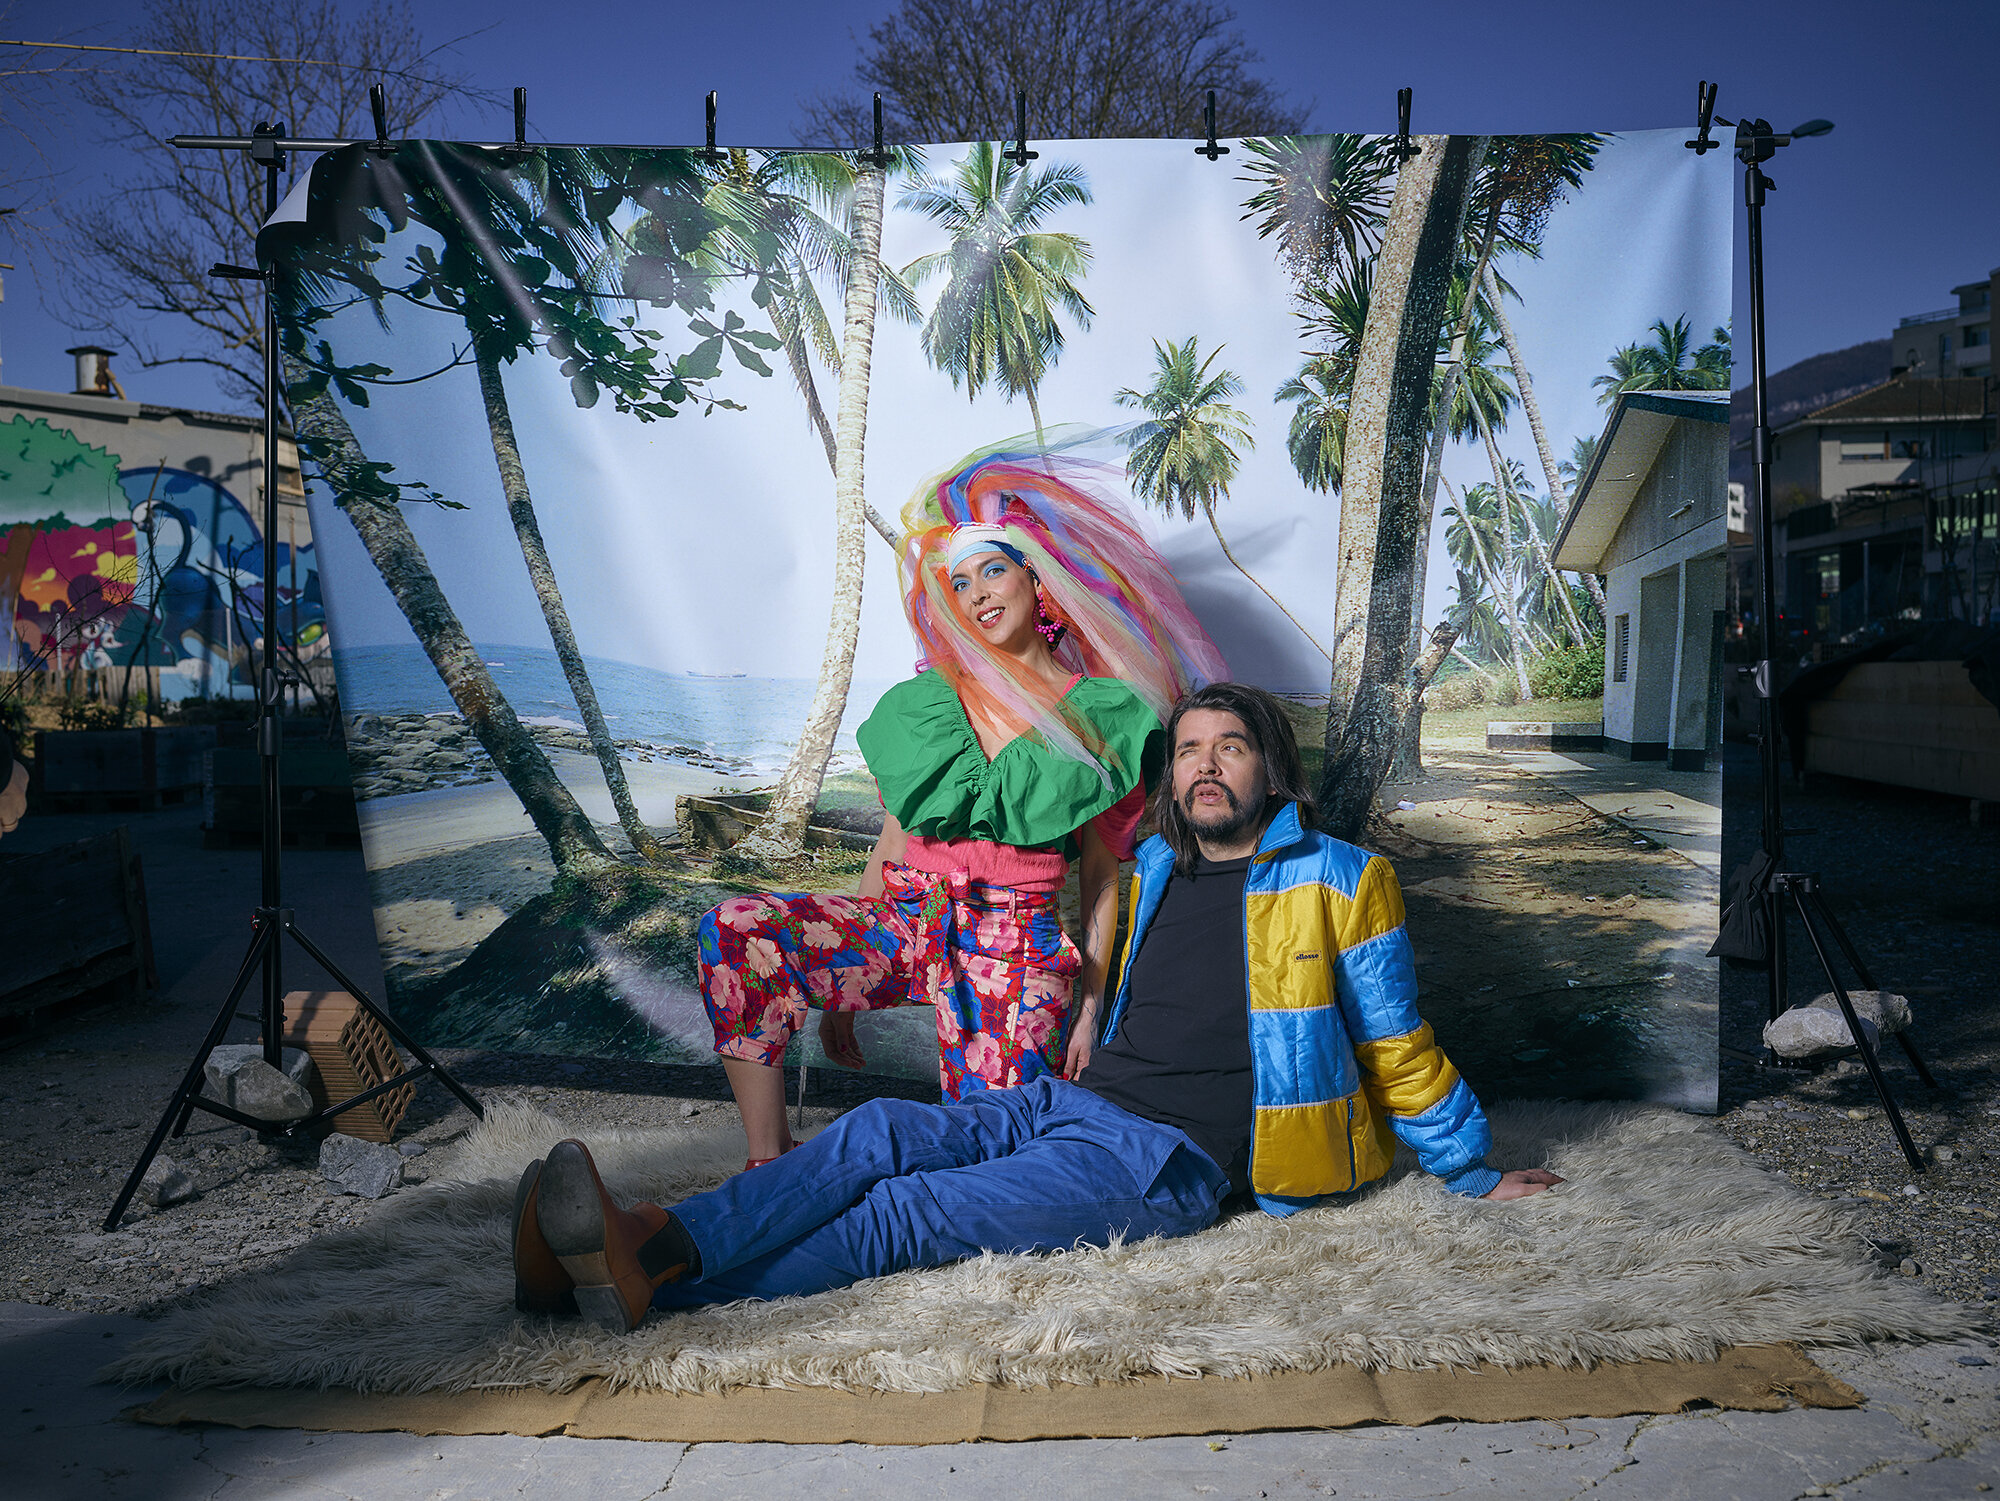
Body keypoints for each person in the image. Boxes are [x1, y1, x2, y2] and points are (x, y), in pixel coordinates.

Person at [512, 682, 1562, 1331]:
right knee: (879, 1131)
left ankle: (648, 1276)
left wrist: (1468, 1166)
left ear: (1270, 770)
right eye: (1188, 749)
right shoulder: (1155, 867)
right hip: (1072, 1099)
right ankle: (641, 1238)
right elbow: (1108, 969)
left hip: (1169, 1159)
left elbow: (1395, 1040)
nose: (1203, 766)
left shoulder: (1345, 877)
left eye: (1229, 747)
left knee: (909, 1212)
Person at [695, 433, 1228, 1169]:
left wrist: (1091, 1004)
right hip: (905, 920)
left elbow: (1104, 876)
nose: (977, 594)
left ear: (1037, 579)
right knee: (735, 928)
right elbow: (894, 837)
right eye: (961, 583)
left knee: (987, 1149)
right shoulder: (929, 703)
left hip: (1014, 942)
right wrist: (842, 995)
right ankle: (769, 1159)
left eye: (993, 570)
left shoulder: (1103, 714)